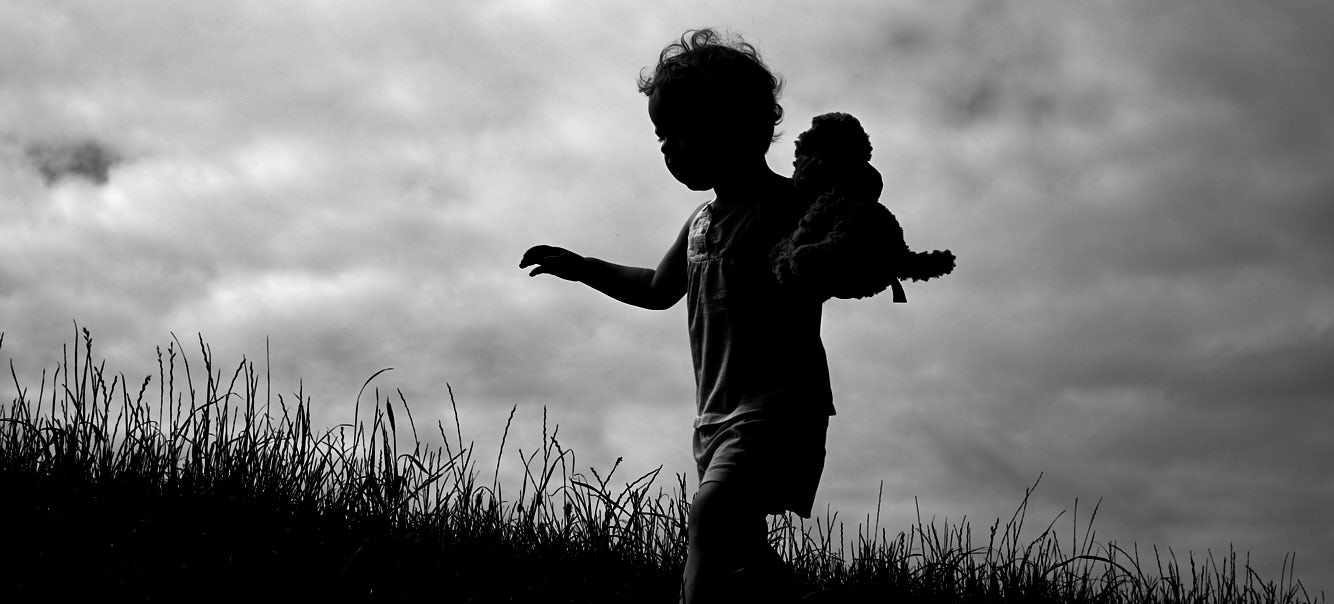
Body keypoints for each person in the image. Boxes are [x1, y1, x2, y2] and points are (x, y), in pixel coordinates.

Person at [520, 28, 833, 603]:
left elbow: (835, 253)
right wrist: (583, 266)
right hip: (714, 415)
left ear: (733, 125)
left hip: (779, 407)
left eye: (678, 131)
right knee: (738, 547)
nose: (666, 147)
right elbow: (658, 289)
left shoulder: (786, 207)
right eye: (660, 135)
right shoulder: (700, 224)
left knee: (711, 515)